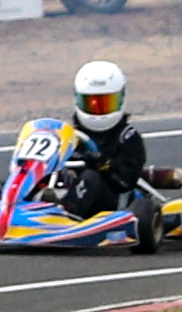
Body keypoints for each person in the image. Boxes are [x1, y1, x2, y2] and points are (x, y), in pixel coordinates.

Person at [47, 61, 165, 218]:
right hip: (72, 191)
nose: (98, 111)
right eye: (92, 104)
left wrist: (104, 166)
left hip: (111, 203)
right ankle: (16, 202)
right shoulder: (71, 136)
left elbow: (125, 182)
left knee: (91, 177)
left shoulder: (128, 138)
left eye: (106, 103)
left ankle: (65, 213)